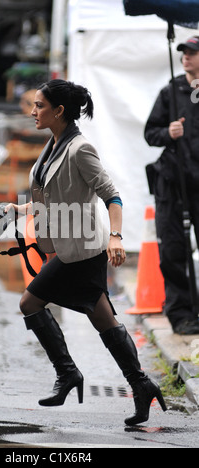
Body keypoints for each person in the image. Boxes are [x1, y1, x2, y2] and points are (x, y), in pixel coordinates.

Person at [5, 79, 167, 426]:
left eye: (39, 106)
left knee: (29, 303)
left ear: (59, 111)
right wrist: (14, 210)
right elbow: (49, 200)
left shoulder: (80, 149)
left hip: (83, 250)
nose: (33, 112)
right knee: (102, 317)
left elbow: (112, 195)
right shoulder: (54, 146)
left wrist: (117, 237)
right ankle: (142, 386)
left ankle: (68, 375)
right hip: (70, 246)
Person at [145, 36, 199, 335]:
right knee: (173, 250)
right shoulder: (171, 91)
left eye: (193, 53)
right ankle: (181, 315)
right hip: (172, 182)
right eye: (184, 53)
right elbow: (150, 133)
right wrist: (168, 132)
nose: (186, 57)